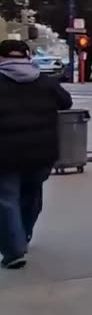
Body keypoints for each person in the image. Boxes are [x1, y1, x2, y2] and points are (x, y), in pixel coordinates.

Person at [0, 40, 73, 269]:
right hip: (42, 151)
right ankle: (25, 234)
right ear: (28, 56)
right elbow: (66, 102)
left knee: (6, 199)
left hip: (5, 154)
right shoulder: (45, 81)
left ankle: (14, 250)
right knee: (31, 195)